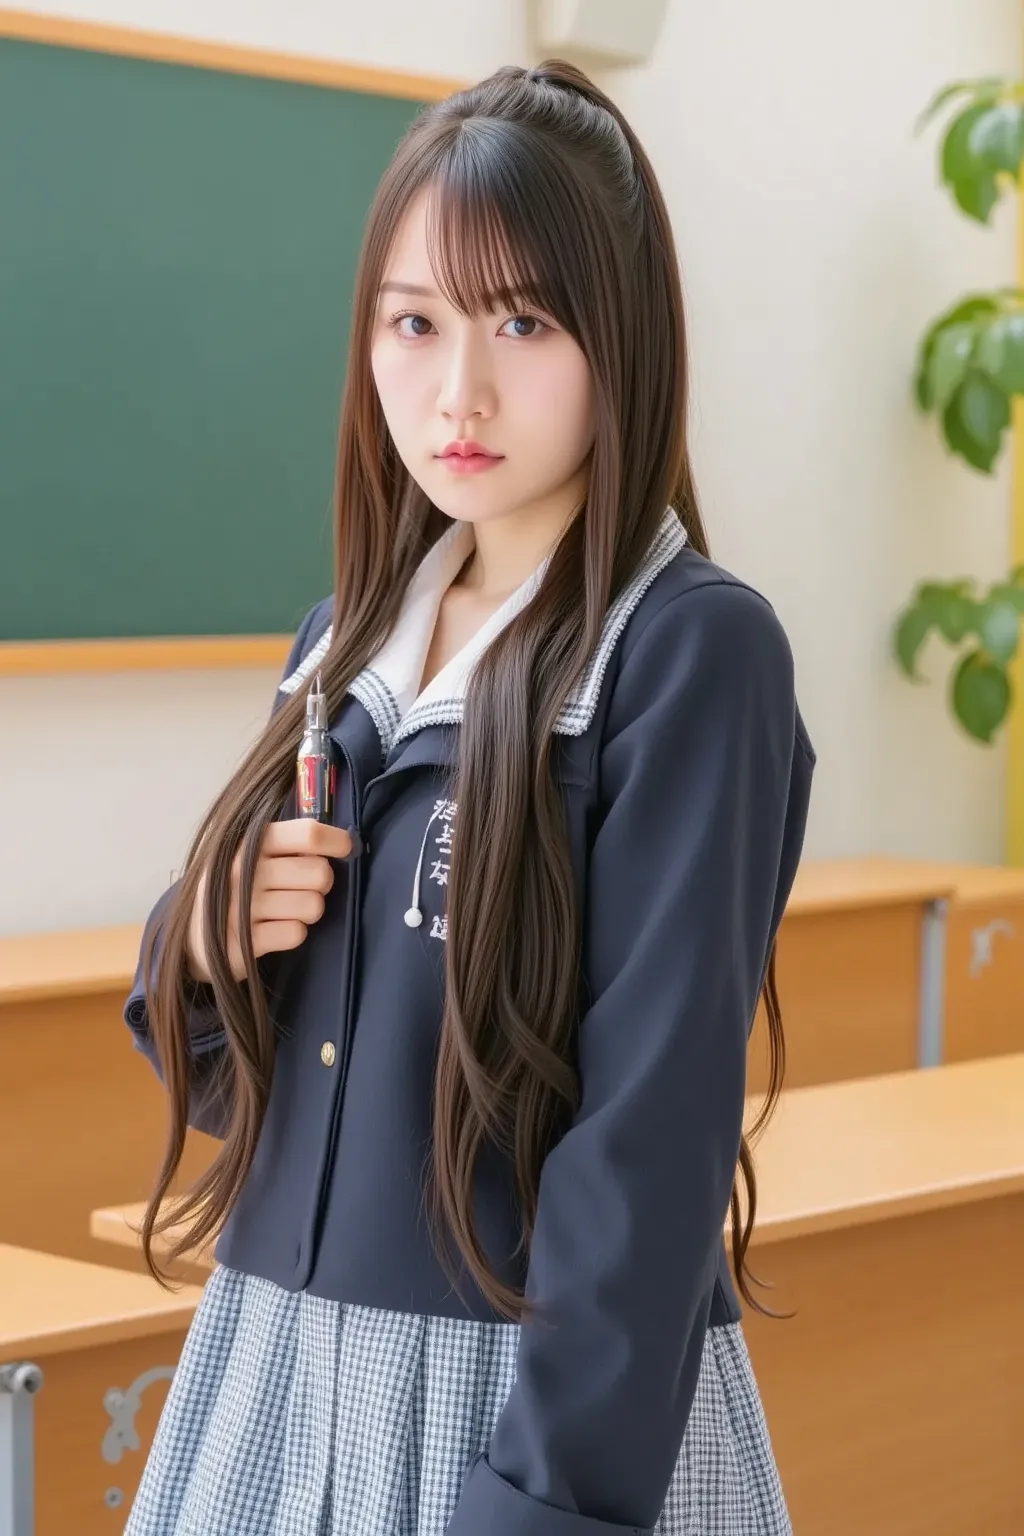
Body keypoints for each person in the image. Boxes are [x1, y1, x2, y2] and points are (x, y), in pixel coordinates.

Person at [121, 57, 815, 1536]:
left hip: (523, 1414)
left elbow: (651, 1136)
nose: (460, 392)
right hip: (271, 1369)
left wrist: (543, 1503)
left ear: (620, 337)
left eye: (524, 321)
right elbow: (237, 1070)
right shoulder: (344, 641)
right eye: (415, 324)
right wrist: (204, 938)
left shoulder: (689, 653)